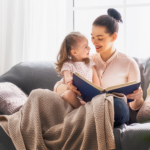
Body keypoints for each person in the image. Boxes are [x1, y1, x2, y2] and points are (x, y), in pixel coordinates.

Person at [54, 8, 144, 127]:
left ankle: (88, 119)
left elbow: (134, 107)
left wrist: (138, 98)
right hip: (88, 107)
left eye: (100, 38)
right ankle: (88, 119)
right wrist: (68, 86)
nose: (94, 42)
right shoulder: (86, 60)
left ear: (114, 37)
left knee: (118, 106)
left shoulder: (129, 63)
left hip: (116, 111)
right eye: (93, 37)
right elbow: (57, 87)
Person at [54, 32, 100, 109]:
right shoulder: (68, 64)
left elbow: (95, 76)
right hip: (74, 94)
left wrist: (98, 90)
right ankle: (81, 109)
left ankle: (84, 106)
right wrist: (70, 82)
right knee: (68, 94)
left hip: (88, 95)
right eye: (85, 47)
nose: (89, 48)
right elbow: (67, 77)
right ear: (74, 52)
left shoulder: (89, 62)